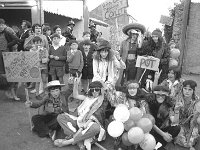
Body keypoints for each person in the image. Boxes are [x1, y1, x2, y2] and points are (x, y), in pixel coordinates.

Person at [54, 75, 106, 150]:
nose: (94, 92)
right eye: (92, 90)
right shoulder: (88, 97)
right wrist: (76, 84)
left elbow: (95, 117)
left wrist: (83, 127)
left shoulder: (102, 101)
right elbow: (75, 95)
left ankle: (69, 141)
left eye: (97, 90)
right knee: (60, 117)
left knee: (96, 128)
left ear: (101, 90)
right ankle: (79, 140)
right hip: (78, 121)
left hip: (89, 125)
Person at [145, 85, 180, 150]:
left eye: (163, 95)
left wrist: (177, 111)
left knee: (177, 127)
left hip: (164, 128)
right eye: (158, 94)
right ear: (154, 95)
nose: (160, 97)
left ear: (166, 96)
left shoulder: (168, 104)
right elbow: (150, 123)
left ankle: (163, 142)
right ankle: (160, 143)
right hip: (152, 129)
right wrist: (163, 134)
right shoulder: (148, 104)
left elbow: (175, 122)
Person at [174, 80, 200, 150]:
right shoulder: (177, 98)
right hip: (179, 122)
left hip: (192, 123)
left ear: (193, 91)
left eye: (190, 89)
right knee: (181, 139)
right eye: (185, 89)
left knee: (190, 142)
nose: (187, 91)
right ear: (182, 89)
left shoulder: (197, 101)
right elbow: (174, 117)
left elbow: (195, 120)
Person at [0, 18, 20, 100]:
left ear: (3, 25)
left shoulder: (7, 31)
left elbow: (17, 40)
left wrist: (7, 45)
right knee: (3, 74)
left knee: (11, 76)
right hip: (1, 56)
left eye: (1, 25)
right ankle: (7, 90)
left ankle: (12, 93)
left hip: (8, 56)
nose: (1, 27)